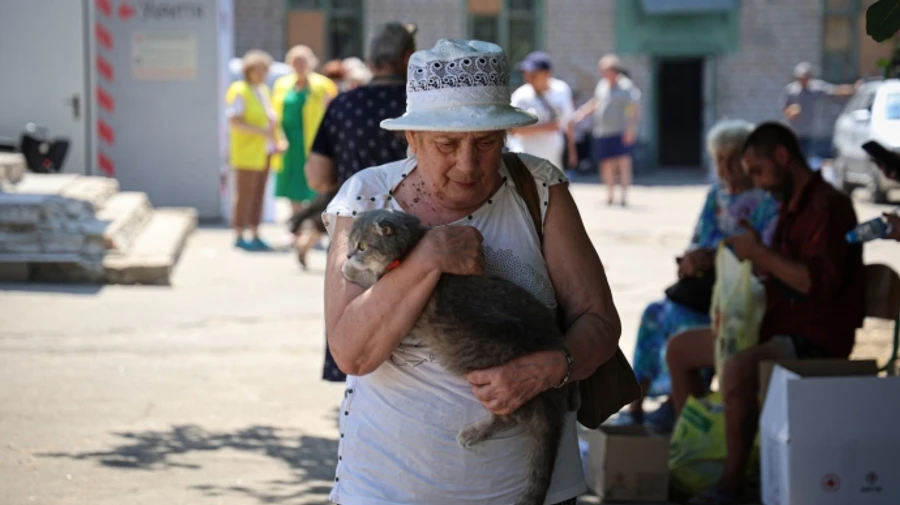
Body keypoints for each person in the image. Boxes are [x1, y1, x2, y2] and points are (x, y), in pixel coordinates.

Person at [321, 39, 621, 505]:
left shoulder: (538, 187)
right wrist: (427, 258)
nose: (467, 163)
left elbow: (599, 321)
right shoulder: (366, 196)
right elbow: (351, 353)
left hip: (531, 488)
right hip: (387, 489)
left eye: (485, 142)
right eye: (447, 144)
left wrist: (551, 367)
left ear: (505, 135)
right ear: (412, 138)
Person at [685, 122, 864, 505]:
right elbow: (775, 274)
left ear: (782, 156)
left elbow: (813, 283)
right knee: (682, 348)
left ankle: (733, 482)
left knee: (737, 368)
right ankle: (697, 455)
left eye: (759, 171)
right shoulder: (790, 205)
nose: (758, 183)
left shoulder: (825, 206)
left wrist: (759, 253)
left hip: (815, 337)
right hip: (779, 324)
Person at [618, 120, 779, 432]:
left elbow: (763, 256)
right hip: (701, 290)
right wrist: (691, 259)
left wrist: (718, 258)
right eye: (719, 159)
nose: (725, 167)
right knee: (654, 313)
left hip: (736, 298)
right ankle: (636, 404)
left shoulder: (765, 202)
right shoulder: (715, 196)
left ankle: (680, 405)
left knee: (687, 324)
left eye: (733, 159)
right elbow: (696, 240)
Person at [305, 22, 416, 380]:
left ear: (370, 60)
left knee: (352, 331)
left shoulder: (343, 105)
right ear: (408, 58)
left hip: (355, 236)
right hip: (415, 236)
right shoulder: (418, 107)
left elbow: (317, 176)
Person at [225, 50, 285, 251]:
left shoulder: (263, 90)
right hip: (246, 152)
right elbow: (235, 121)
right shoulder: (240, 90)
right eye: (257, 70)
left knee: (259, 193)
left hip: (263, 152)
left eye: (264, 70)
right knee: (245, 194)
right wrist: (261, 132)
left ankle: (255, 231)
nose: (261, 74)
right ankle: (239, 233)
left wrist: (278, 140)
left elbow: (272, 121)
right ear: (248, 70)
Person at [271, 45, 338, 221]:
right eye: (295, 61)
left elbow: (333, 113)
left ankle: (311, 223)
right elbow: (274, 114)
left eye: (303, 61)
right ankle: (296, 221)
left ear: (311, 62)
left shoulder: (323, 85)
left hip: (314, 142)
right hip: (289, 144)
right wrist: (277, 138)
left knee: (315, 182)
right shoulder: (282, 85)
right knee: (291, 185)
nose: (299, 65)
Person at [571, 54, 641, 206]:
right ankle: (610, 195)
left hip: (620, 132)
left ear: (613, 71)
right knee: (606, 164)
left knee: (623, 164)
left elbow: (632, 108)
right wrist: (582, 112)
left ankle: (624, 197)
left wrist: (631, 128)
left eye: (603, 70)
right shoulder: (602, 85)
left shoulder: (626, 87)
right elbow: (596, 102)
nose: (600, 73)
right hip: (603, 131)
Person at [507, 51, 577, 172]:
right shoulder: (520, 96)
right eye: (526, 73)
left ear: (547, 74)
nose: (528, 77)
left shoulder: (562, 90)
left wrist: (572, 151)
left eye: (533, 74)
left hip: (553, 158)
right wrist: (545, 128)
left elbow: (568, 121)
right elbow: (512, 129)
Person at [780, 62, 857, 166]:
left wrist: (854, 89)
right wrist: (791, 112)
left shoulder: (816, 88)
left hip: (808, 131)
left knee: (806, 157)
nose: (804, 80)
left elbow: (835, 90)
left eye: (806, 77)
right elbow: (784, 109)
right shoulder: (791, 91)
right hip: (793, 132)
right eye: (801, 78)